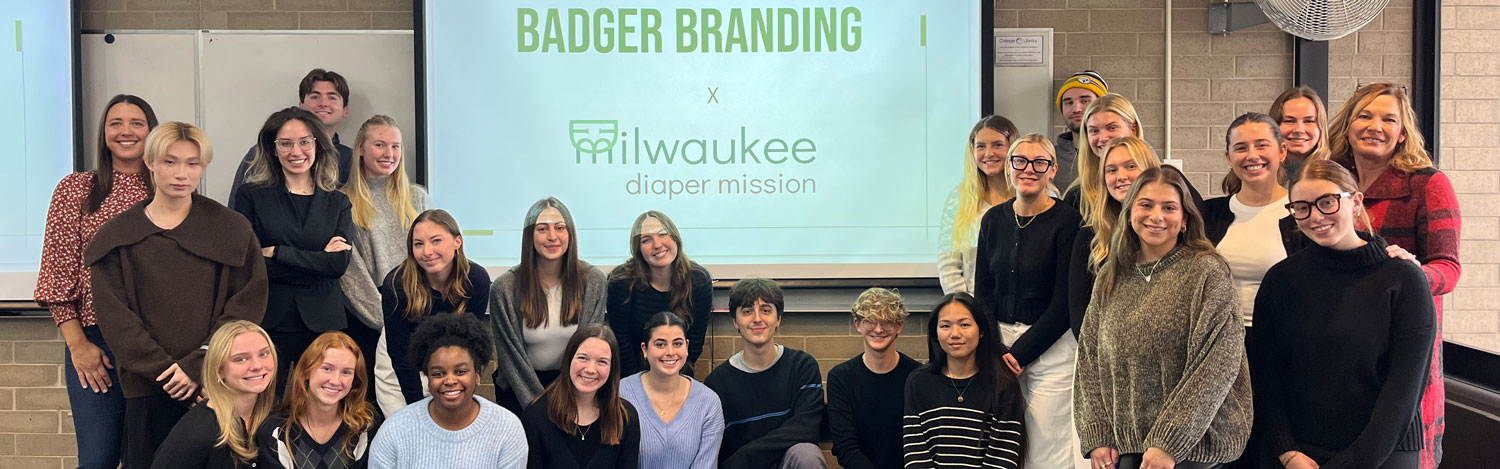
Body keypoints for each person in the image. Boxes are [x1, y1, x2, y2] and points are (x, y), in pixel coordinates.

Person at [87, 122, 268, 469]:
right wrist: (167, 371)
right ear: (150, 162)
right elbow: (116, 318)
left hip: (214, 385)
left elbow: (245, 304)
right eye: (170, 162)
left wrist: (198, 365)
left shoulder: (231, 229)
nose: (181, 173)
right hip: (147, 386)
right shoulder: (116, 236)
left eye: (192, 163)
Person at [1250, 159, 1434, 469]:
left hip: (1383, 450)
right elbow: (1266, 375)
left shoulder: (1404, 280)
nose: (1316, 216)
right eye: (1302, 207)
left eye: (1327, 202)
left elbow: (1405, 389)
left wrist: (1355, 462)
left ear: (1356, 202)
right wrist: (1285, 450)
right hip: (1298, 451)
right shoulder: (1280, 280)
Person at [1074, 167, 1252, 469]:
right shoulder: (1111, 275)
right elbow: (1090, 358)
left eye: (1169, 207)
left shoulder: (1207, 272)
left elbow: (1216, 367)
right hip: (1129, 445)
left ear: (1184, 220)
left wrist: (1169, 443)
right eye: (1145, 205)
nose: (1156, 216)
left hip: (1195, 447)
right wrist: (1098, 434)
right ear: (1130, 213)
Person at [1327, 82, 1460, 469]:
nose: (1375, 126)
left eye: (1389, 118)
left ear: (1403, 132)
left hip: (1402, 350)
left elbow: (1449, 268)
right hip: (1342, 348)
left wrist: (1415, 273)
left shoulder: (1428, 185)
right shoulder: (1333, 181)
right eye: (1365, 115)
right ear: (1348, 124)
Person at [35, 94, 157, 469]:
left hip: (155, 345)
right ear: (104, 133)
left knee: (148, 459)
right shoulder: (75, 189)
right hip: (95, 342)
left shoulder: (170, 191)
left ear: (151, 132)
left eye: (136, 123)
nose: (126, 131)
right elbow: (57, 271)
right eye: (115, 123)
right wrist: (78, 346)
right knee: (98, 458)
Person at [973, 133, 1082, 468]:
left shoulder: (1069, 222)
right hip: (999, 345)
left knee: (1045, 445)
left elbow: (1065, 303)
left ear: (1052, 170)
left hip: (1052, 350)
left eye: (1040, 163)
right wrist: (997, 347)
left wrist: (1019, 354)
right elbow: (983, 292)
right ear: (1009, 167)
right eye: (1020, 161)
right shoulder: (993, 219)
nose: (1029, 169)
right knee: (1000, 443)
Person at [234, 106, 356, 392]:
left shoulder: (337, 202)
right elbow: (248, 263)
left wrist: (276, 252)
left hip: (322, 322)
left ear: (318, 145)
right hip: (268, 320)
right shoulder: (250, 196)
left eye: (304, 141)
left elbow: (337, 266)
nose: (296, 150)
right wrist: (317, 260)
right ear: (273, 149)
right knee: (261, 406)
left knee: (319, 405)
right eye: (285, 143)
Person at [338, 115, 432, 408]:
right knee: (375, 407)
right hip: (370, 322)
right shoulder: (343, 202)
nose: (389, 154)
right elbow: (351, 275)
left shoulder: (417, 199)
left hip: (420, 313)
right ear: (361, 150)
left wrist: (418, 317)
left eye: (395, 146)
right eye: (380, 145)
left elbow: (434, 258)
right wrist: (390, 323)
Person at [491, 198, 609, 413]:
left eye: (560, 228)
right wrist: (540, 409)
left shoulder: (593, 281)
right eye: (542, 229)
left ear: (570, 234)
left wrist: (567, 399)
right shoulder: (504, 288)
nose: (552, 237)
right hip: (521, 393)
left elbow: (590, 348)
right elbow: (511, 360)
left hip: (575, 389)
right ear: (529, 236)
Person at [368, 313, 527, 468]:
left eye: (460, 372)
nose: (450, 381)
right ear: (428, 379)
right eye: (438, 374)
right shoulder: (394, 431)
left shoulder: (507, 429)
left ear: (477, 375)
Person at [703, 278, 826, 469]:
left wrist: (746, 456)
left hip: (780, 462)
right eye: (747, 311)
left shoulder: (802, 366)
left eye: (766, 310)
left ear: (778, 319)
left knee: (807, 454)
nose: (757, 319)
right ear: (735, 321)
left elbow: (806, 429)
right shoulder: (717, 383)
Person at [379, 209, 492, 411]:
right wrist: (419, 409)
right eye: (418, 244)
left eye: (436, 241)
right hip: (402, 360)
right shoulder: (397, 284)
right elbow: (400, 356)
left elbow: (471, 347)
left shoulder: (476, 280)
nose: (427, 251)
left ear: (457, 242)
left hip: (451, 356)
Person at [1203, 112, 1307, 330]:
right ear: (1229, 158)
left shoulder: (1304, 214)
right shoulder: (1208, 213)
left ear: (1282, 151)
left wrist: (1387, 252)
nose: (1252, 155)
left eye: (1262, 145)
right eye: (1241, 148)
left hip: (1280, 342)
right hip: (1220, 340)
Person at [901, 293, 1025, 469]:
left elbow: (1003, 458)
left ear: (981, 331)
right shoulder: (918, 382)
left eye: (964, 324)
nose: (955, 334)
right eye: (945, 326)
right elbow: (915, 455)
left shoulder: (1003, 384)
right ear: (935, 333)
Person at [1067, 136, 1162, 337]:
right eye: (1111, 170)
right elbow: (1079, 317)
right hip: (1104, 357)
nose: (1121, 176)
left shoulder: (1168, 232)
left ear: (1151, 171)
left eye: (1130, 166)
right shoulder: (1090, 236)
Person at [152, 321, 278, 469]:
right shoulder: (197, 431)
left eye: (264, 354)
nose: (257, 366)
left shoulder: (274, 415)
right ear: (219, 370)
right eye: (241, 359)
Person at [606, 211, 713, 377]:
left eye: (663, 234)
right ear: (638, 249)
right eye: (646, 239)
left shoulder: (698, 281)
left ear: (676, 238)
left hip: (678, 373)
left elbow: (695, 343)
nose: (657, 244)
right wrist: (638, 386)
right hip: (631, 374)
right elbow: (621, 341)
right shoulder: (621, 282)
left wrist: (674, 379)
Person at [521, 325, 641, 468]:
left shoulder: (625, 417)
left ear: (612, 369)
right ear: (568, 360)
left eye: (602, 362)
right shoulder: (536, 415)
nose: (590, 369)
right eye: (583, 358)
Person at [230, 68, 354, 206]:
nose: (323, 103)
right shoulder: (263, 152)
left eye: (332, 97)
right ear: (301, 106)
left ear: (345, 110)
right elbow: (236, 214)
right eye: (315, 96)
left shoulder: (351, 159)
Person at [826, 288, 920, 469]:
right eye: (870, 321)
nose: (878, 329)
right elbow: (845, 448)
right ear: (857, 324)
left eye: (887, 321)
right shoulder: (841, 378)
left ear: (899, 325)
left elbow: (921, 443)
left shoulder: (917, 376)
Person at [256, 331, 379, 469]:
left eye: (346, 372)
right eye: (327, 369)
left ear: (355, 380)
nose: (335, 381)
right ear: (306, 371)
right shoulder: (276, 431)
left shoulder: (365, 424)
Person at [1064, 94, 1204, 212]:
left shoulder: (1170, 178)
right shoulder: (1078, 197)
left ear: (1133, 130)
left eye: (1112, 128)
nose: (1103, 138)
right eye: (1094, 131)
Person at [620, 312, 725, 468]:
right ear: (645, 349)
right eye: (660, 344)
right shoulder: (621, 393)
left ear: (687, 347)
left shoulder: (708, 402)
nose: (670, 352)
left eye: (677, 343)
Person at [937, 115, 1020, 295]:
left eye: (997, 145)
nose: (988, 153)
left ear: (1013, 147)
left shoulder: (1037, 196)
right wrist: (966, 310)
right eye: (980, 146)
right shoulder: (958, 199)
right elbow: (948, 265)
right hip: (974, 313)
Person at [1054, 70, 1109, 189]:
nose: (1077, 109)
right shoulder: (1050, 157)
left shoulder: (1130, 152)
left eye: (1085, 101)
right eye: (1069, 103)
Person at [1269, 85, 1332, 177]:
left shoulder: (1338, 172)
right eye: (1289, 121)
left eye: (1309, 121)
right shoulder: (1262, 171)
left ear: (1321, 126)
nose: (1299, 130)